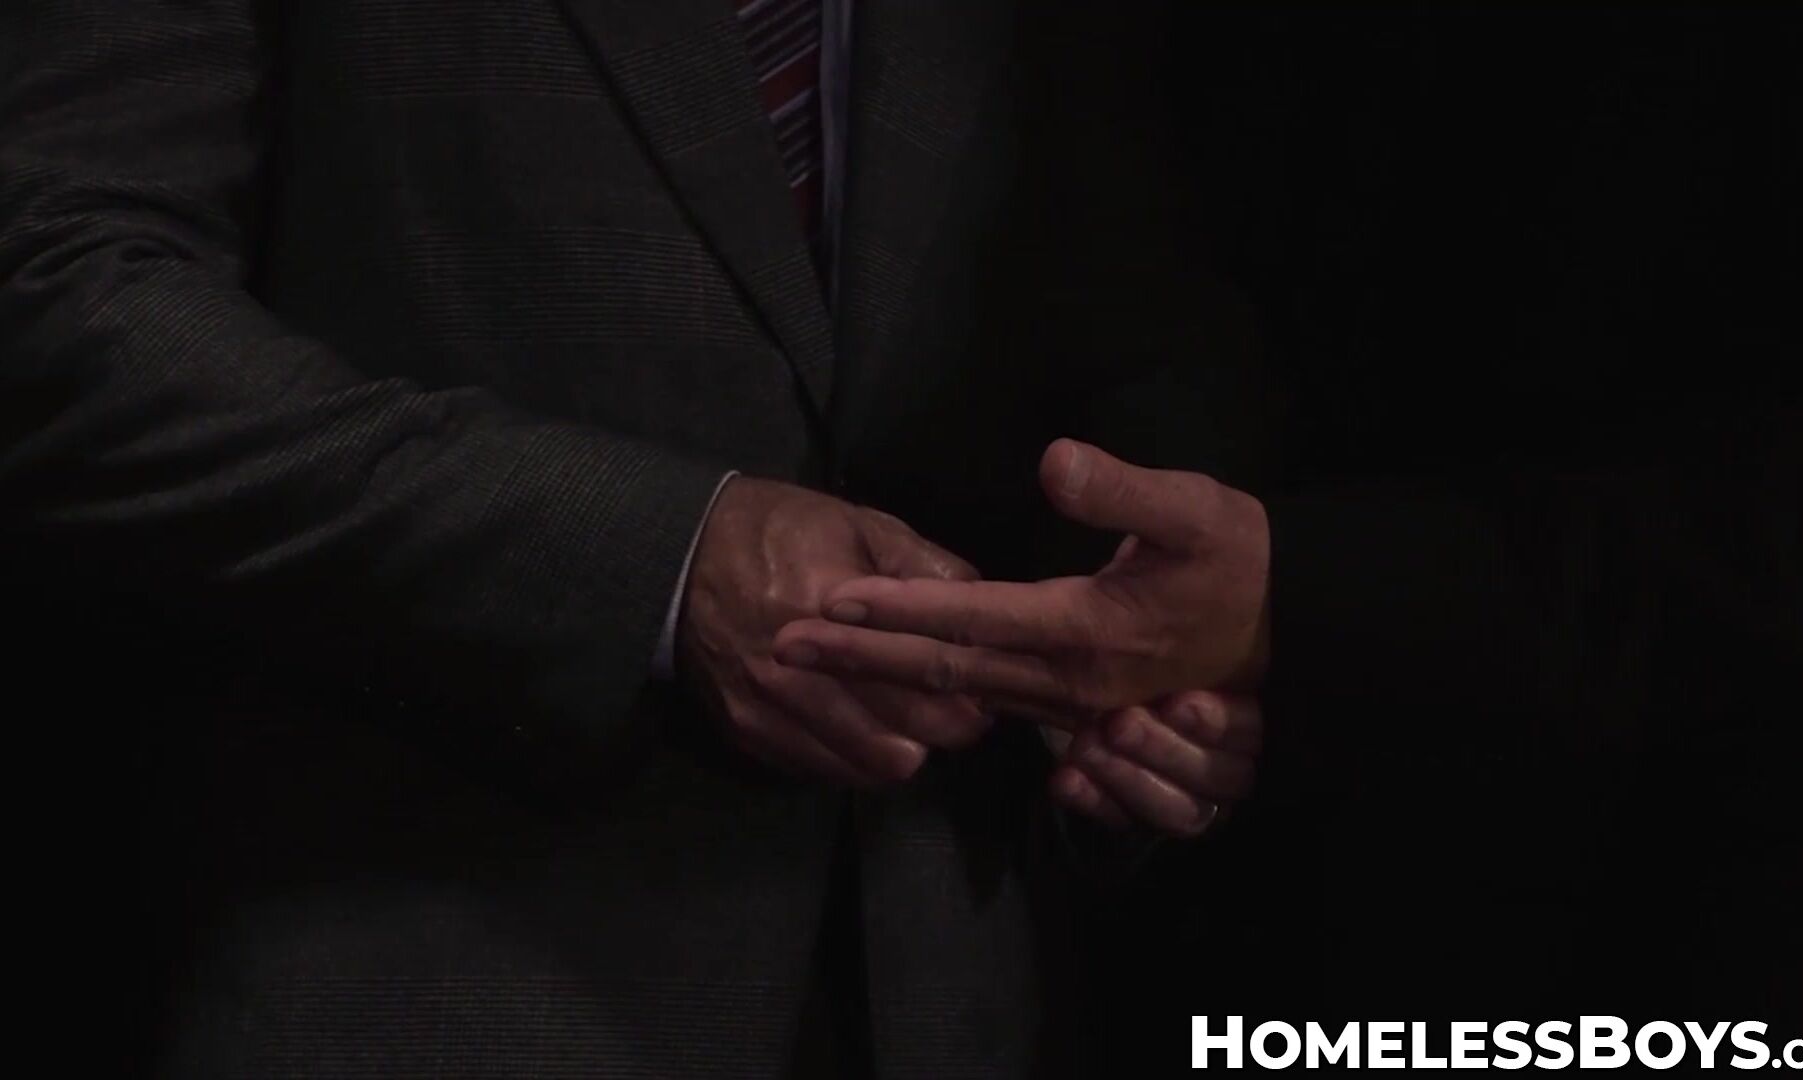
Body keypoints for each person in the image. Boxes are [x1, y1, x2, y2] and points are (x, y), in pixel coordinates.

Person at [1, 1, 1272, 1076]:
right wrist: (658, 563)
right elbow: (51, 303)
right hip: (424, 976)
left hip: (980, 988)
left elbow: (1136, 321)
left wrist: (1146, 662)